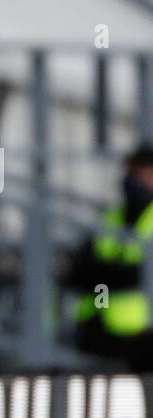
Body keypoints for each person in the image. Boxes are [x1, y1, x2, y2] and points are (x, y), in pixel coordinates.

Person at [69, 145, 153, 370]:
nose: (132, 178)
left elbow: (139, 275)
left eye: (141, 171)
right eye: (131, 170)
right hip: (98, 320)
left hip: (141, 334)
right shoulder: (111, 218)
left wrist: (107, 274)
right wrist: (112, 276)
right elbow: (80, 272)